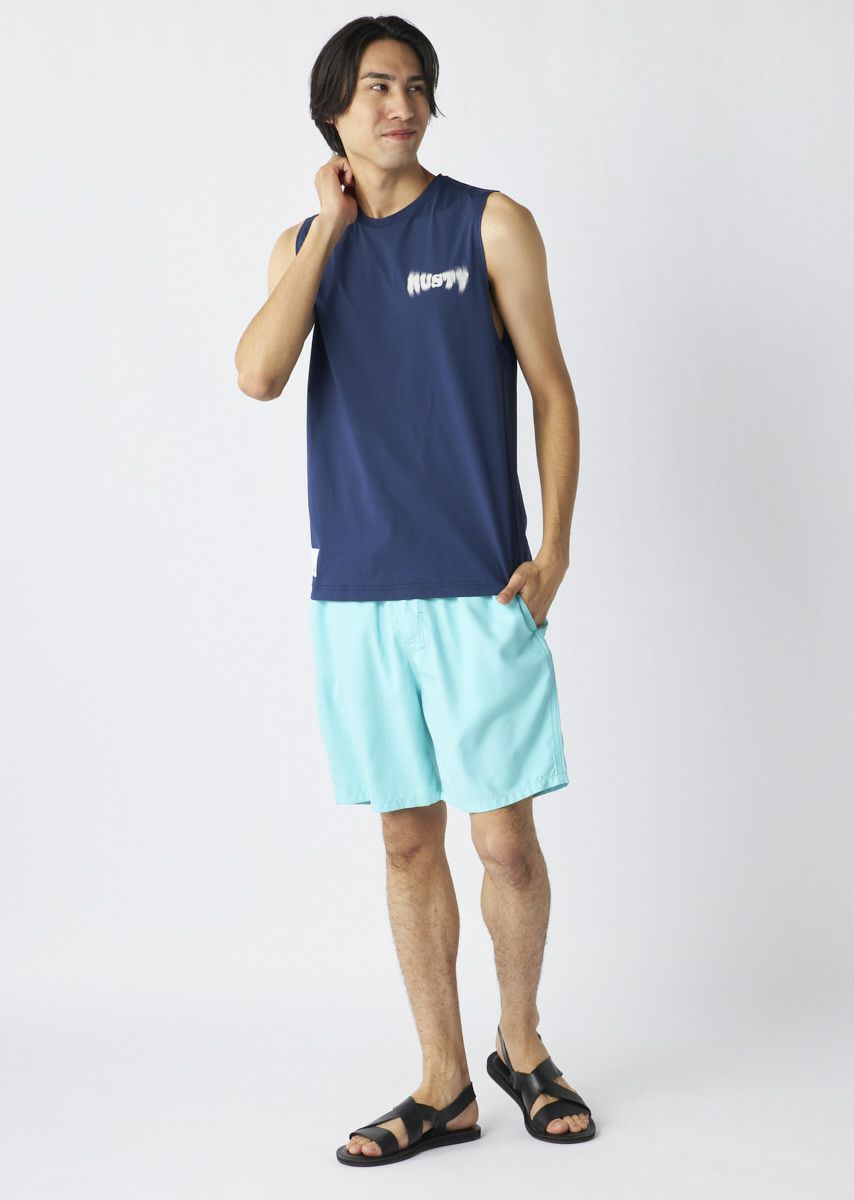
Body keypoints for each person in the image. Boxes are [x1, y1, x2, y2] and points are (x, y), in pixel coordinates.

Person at [234, 14, 594, 1166]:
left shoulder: (490, 222)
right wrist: (329, 227)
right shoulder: (304, 244)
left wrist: (556, 550)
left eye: (418, 87)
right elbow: (257, 373)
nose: (403, 105)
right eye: (379, 88)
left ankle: (522, 1048)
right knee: (404, 842)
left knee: (505, 844)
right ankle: (443, 1086)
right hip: (358, 593)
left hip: (482, 588)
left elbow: (552, 389)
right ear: (334, 111)